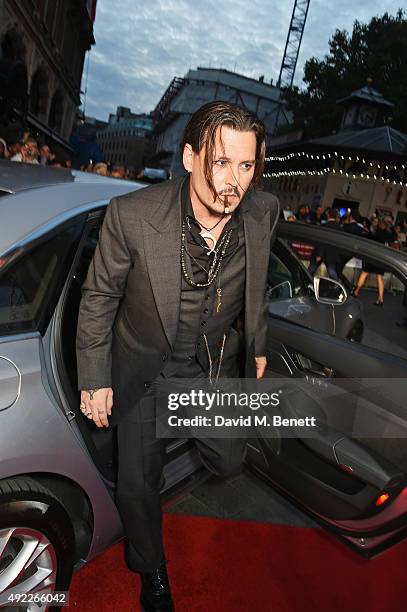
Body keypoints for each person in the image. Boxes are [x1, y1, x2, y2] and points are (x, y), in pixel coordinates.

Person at [76, 101, 279, 612]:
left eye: (246, 166)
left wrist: (256, 342)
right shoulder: (133, 216)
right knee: (136, 488)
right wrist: (95, 376)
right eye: (220, 161)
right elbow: (99, 297)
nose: (233, 181)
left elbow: (257, 288)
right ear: (189, 157)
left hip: (208, 370)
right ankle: (152, 570)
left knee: (230, 458)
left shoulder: (262, 212)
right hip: (144, 370)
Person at [353, 218, 394, 305]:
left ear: (380, 224)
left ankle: (356, 291)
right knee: (380, 278)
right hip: (382, 258)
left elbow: (368, 237)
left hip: (374, 257)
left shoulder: (377, 233)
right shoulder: (390, 234)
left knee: (364, 273)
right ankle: (380, 299)